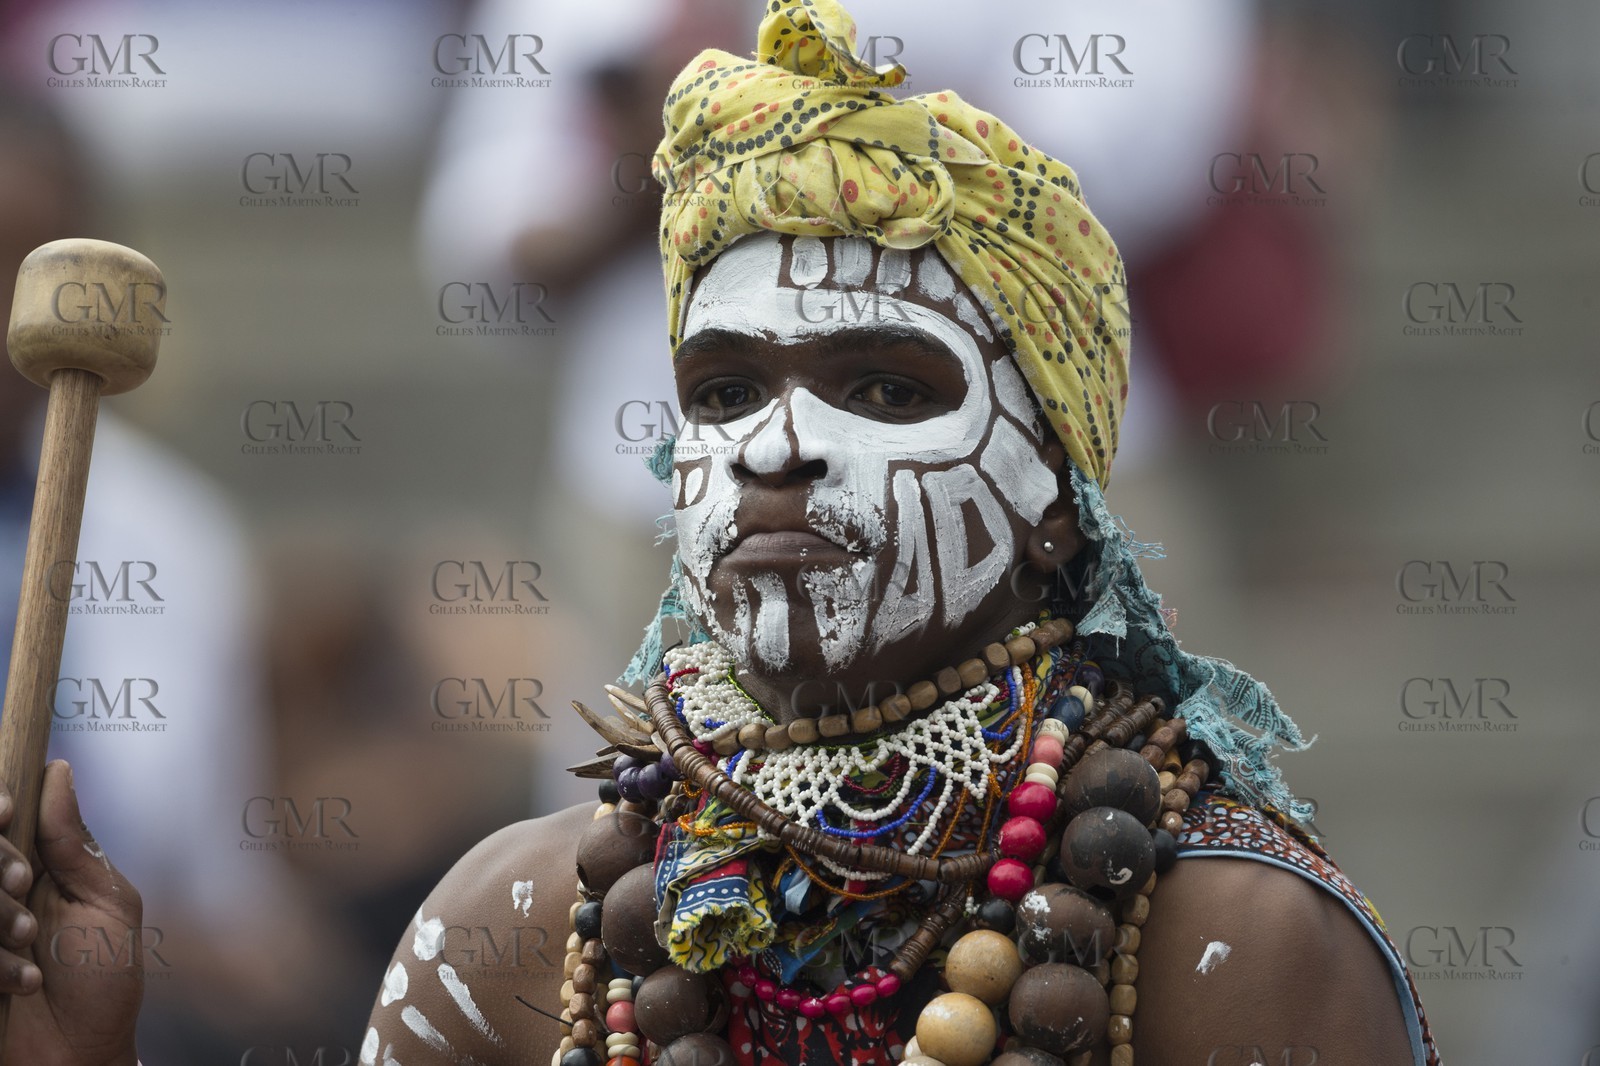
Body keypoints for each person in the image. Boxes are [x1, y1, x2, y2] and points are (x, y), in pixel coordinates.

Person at [0, 2, 1440, 1063]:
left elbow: (1153, 119)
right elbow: (496, 219)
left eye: (886, 384)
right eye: (726, 389)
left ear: (1054, 489)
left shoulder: (1233, 953)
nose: (782, 446)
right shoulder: (513, 926)